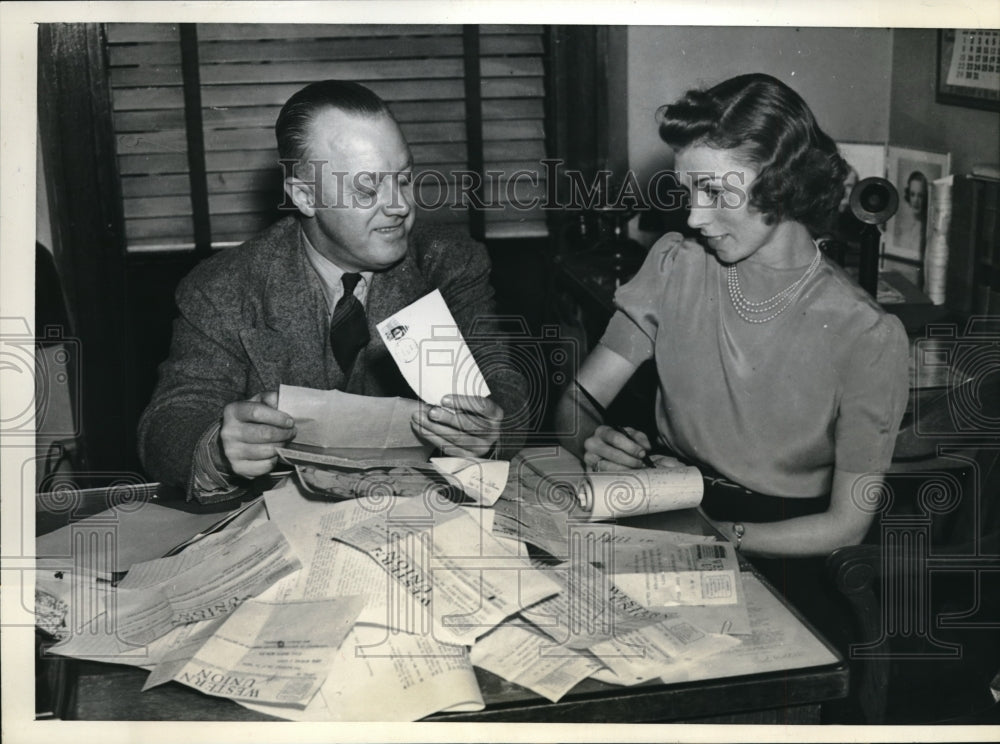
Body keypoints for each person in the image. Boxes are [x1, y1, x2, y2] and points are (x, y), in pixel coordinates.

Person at [555, 72, 909, 560]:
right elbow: (577, 400)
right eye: (688, 192)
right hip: (669, 503)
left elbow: (846, 527)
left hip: (781, 548)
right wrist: (592, 439)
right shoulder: (674, 263)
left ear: (781, 182)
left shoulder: (868, 334)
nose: (695, 218)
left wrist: (713, 536)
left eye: (715, 192)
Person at [139, 80, 528, 502]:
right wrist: (217, 447)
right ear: (305, 196)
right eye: (367, 188)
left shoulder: (449, 263)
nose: (398, 204)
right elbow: (168, 423)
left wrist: (490, 430)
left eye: (403, 178)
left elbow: (504, 387)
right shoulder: (224, 288)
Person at [893, 170, 928, 253]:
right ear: (908, 195)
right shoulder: (903, 226)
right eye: (912, 194)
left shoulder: (926, 229)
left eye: (920, 195)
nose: (916, 200)